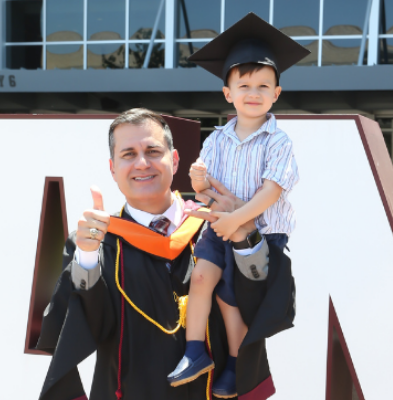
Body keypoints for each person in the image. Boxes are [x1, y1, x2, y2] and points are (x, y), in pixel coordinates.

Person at [34, 108, 295, 400]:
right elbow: (84, 326)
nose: (142, 163)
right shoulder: (95, 244)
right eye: (129, 154)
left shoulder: (213, 226)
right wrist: (87, 258)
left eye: (153, 151)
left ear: (175, 159)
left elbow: (262, 304)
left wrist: (245, 241)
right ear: (112, 168)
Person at [171, 13, 305, 397]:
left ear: (276, 94)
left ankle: (236, 365)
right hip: (219, 226)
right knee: (201, 279)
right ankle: (195, 351)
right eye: (243, 84)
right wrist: (199, 183)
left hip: (262, 234)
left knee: (231, 298)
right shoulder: (216, 140)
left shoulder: (278, 142)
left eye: (264, 85)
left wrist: (237, 221)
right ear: (228, 93)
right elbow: (205, 189)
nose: (254, 92)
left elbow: (271, 192)